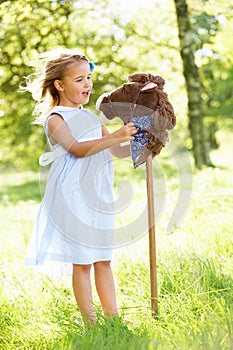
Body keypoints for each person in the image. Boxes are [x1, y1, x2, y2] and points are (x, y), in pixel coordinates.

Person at [25, 48, 137, 325]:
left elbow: (116, 151)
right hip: (73, 196)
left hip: (97, 196)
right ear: (60, 85)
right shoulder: (56, 118)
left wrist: (142, 145)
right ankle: (91, 323)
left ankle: (114, 319)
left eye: (88, 77)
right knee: (83, 261)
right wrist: (117, 136)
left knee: (103, 258)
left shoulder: (91, 117)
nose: (87, 84)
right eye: (79, 79)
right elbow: (76, 149)